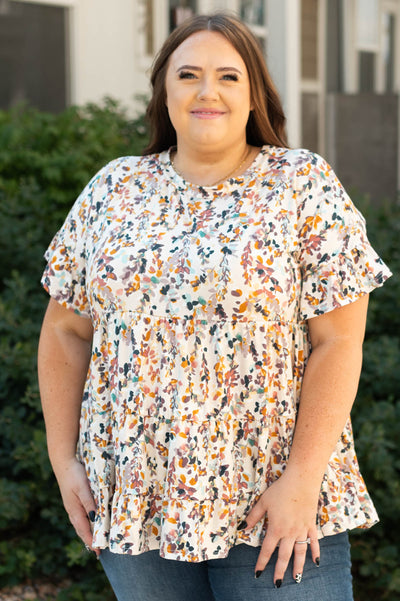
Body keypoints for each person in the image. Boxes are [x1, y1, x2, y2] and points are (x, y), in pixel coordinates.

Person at [38, 12, 392, 601]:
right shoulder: (113, 188)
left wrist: (303, 482)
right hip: (135, 501)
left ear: (253, 93)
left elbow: (339, 341)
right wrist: (63, 459)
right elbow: (65, 330)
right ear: (164, 92)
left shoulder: (302, 183)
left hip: (273, 503)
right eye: (189, 75)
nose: (208, 91)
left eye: (228, 76)